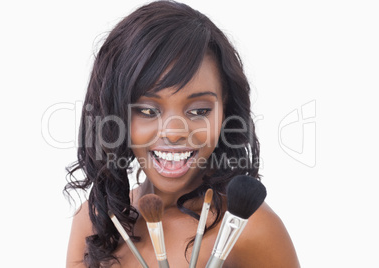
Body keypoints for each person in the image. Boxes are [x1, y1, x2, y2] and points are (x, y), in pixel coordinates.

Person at [65, 1, 300, 267]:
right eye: (147, 110)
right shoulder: (95, 221)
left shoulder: (253, 230)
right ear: (115, 115)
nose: (174, 132)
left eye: (199, 111)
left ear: (226, 112)